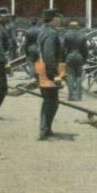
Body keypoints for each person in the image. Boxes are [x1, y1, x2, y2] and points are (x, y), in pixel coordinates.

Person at [37, 8, 63, 140]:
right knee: (51, 102)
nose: (60, 21)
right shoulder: (51, 34)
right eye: (58, 18)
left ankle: (46, 129)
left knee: (49, 101)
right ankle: (44, 131)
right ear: (53, 19)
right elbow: (49, 55)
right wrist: (55, 74)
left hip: (41, 68)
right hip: (48, 71)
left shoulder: (42, 30)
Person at [62, 20, 88, 101]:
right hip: (79, 56)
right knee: (78, 76)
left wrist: (63, 58)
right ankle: (79, 96)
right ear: (77, 27)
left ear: (70, 27)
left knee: (70, 76)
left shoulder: (66, 35)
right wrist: (84, 59)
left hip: (69, 56)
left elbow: (63, 48)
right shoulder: (82, 36)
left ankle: (71, 96)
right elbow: (85, 49)